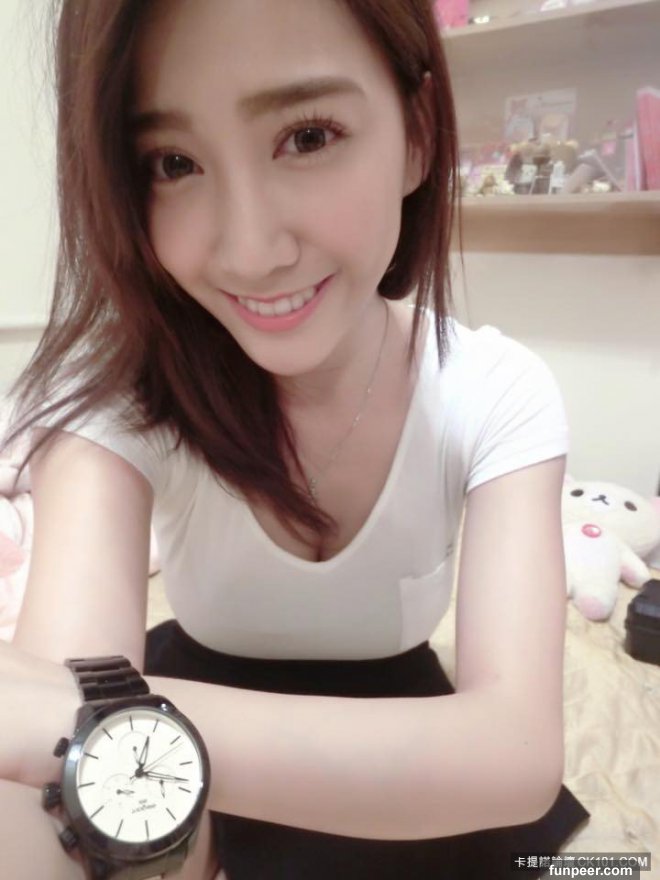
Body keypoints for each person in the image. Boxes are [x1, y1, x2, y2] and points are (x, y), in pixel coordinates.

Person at [0, 0, 590, 877]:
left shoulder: (495, 392)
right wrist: (88, 734)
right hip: (201, 696)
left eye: (308, 137)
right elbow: (35, 832)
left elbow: (516, 757)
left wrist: (89, 721)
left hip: (400, 726)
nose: (249, 252)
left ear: (417, 133)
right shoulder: (117, 404)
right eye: (173, 163)